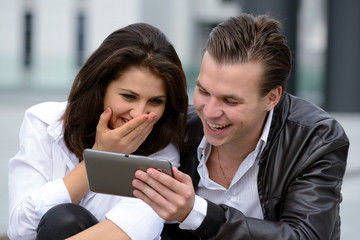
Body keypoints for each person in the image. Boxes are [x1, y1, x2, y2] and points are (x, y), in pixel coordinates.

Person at [132, 13, 349, 239]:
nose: (210, 111)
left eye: (230, 100)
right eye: (204, 91)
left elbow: (306, 236)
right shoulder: (180, 128)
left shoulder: (315, 138)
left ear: (272, 98)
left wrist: (196, 212)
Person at [8, 23, 188, 240]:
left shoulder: (164, 147)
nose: (139, 114)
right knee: (63, 220)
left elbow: (137, 227)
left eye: (155, 101)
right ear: (101, 87)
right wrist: (99, 156)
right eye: (129, 97)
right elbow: (21, 229)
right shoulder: (44, 124)